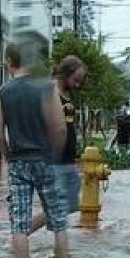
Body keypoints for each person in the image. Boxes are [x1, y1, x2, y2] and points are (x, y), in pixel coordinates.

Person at [0, 43, 69, 258]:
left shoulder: (2, 92)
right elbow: (59, 128)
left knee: (19, 222)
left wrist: (9, 157)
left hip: (18, 162)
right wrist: (54, 155)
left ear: (10, 62)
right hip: (46, 159)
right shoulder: (47, 88)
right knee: (57, 219)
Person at [31, 55, 88, 233]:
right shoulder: (50, 92)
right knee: (57, 208)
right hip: (54, 160)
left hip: (68, 160)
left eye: (80, 81)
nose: (77, 85)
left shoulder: (66, 94)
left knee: (71, 205)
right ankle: (21, 235)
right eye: (75, 80)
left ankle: (24, 235)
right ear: (65, 74)